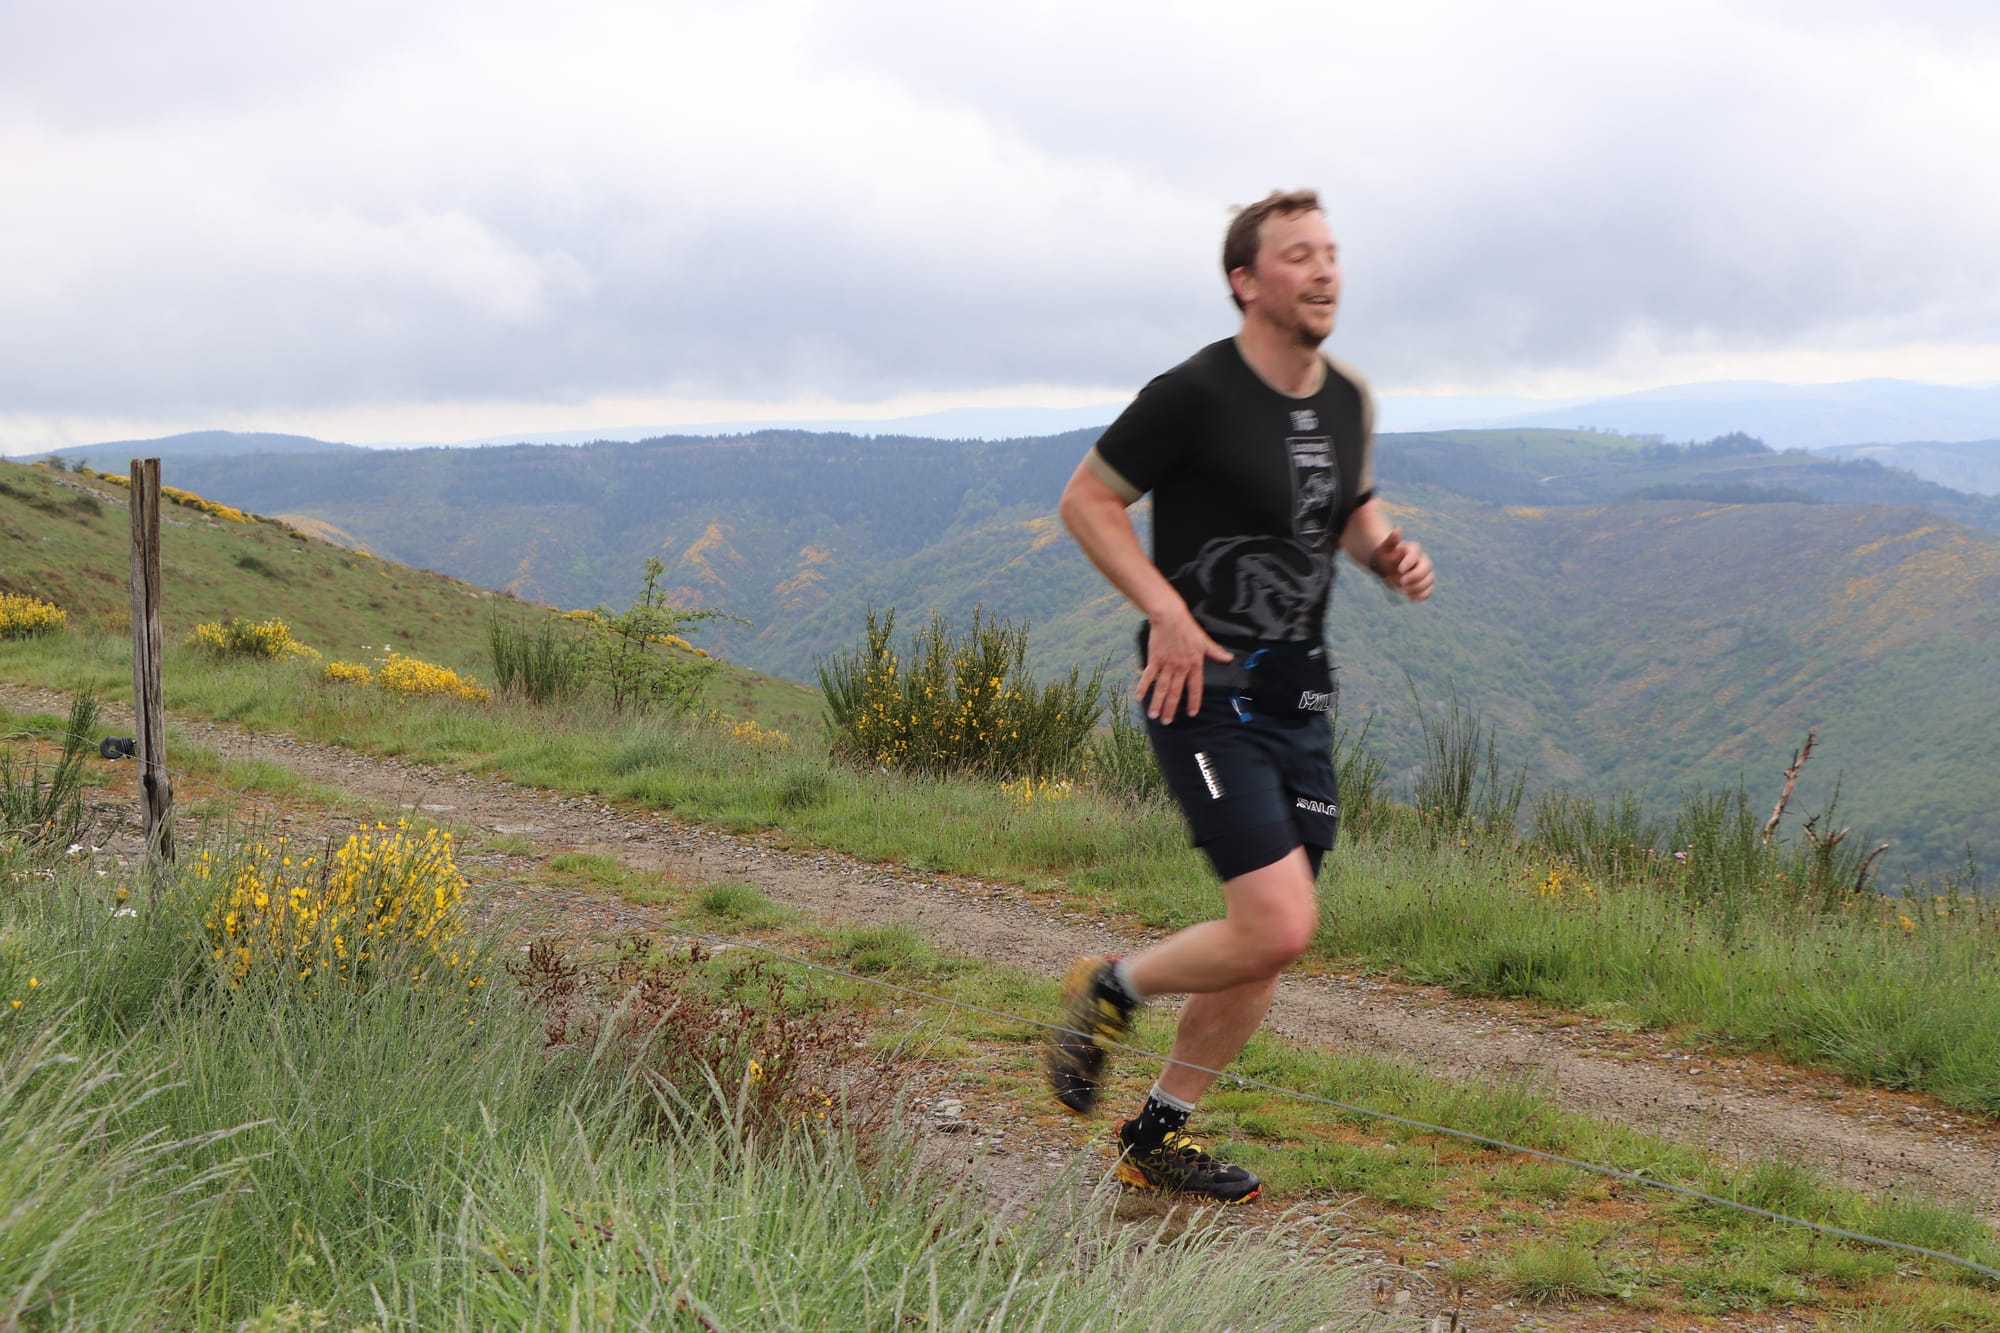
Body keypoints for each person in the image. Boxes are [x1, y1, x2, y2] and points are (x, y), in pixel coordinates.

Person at [1045, 189, 1435, 1204]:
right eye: (1297, 255)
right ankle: (1109, 986)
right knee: (1276, 922)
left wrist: (1385, 552)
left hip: (1300, 693)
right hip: (1203, 688)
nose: (1323, 271)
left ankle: (1157, 1133)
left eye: (1331, 253)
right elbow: (1085, 501)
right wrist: (1165, 609)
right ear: (1244, 281)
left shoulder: (1343, 396)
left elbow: (1343, 504)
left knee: (1267, 934)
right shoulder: (1193, 395)